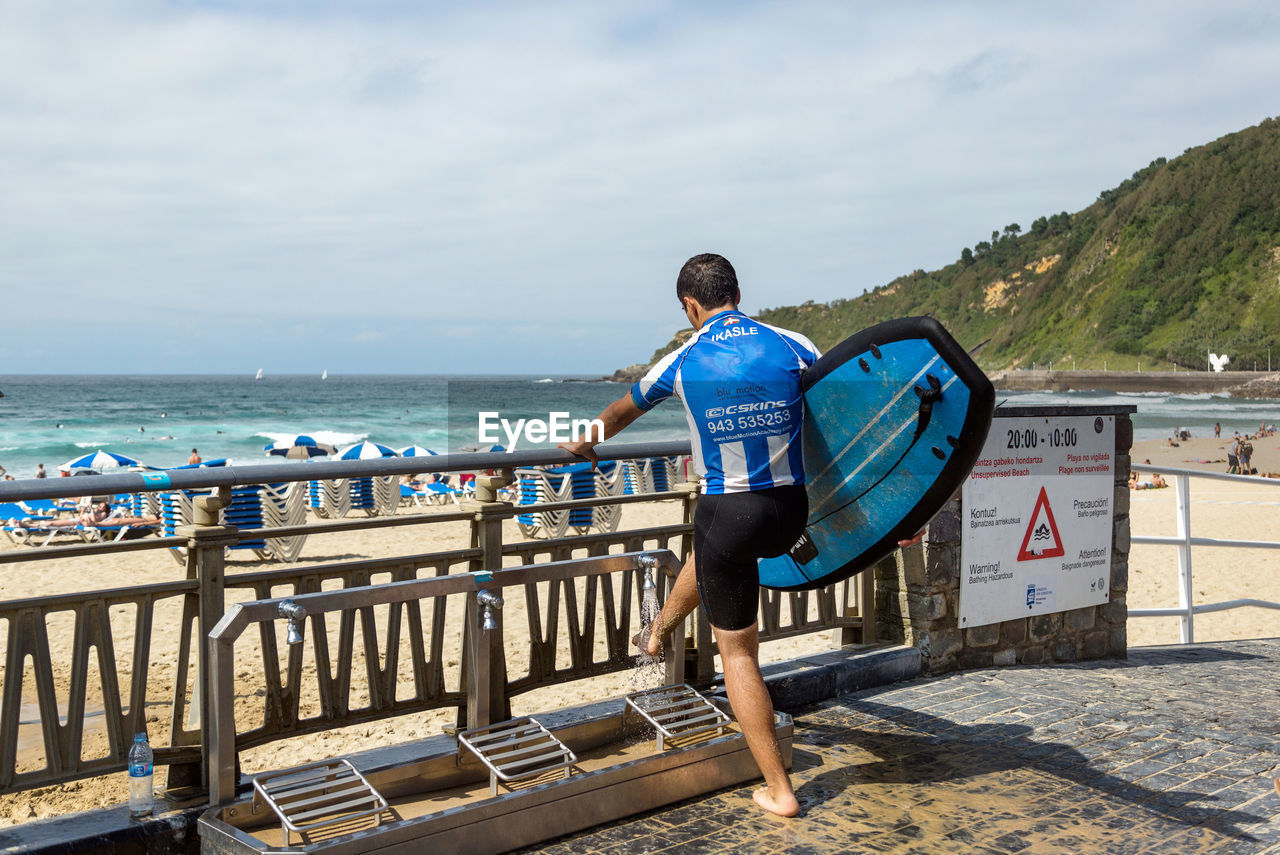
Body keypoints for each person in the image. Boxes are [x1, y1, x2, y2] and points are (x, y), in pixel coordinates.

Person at [560, 253, 918, 817]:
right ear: (738, 292)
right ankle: (655, 634)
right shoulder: (793, 341)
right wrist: (899, 512)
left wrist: (585, 441)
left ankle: (780, 791)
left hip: (729, 512)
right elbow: (846, 414)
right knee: (709, 558)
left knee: (739, 656)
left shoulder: (682, 358)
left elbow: (623, 411)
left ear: (689, 305)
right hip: (790, 512)